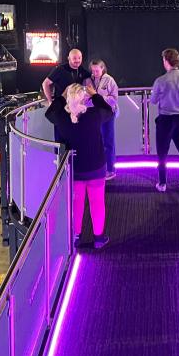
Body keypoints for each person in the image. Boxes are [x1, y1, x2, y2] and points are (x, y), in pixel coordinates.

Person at [45, 81, 115, 249]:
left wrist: (61, 97)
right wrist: (95, 95)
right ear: (84, 99)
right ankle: (98, 239)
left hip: (74, 169)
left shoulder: (61, 118)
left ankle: (76, 237)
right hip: (96, 167)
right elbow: (109, 111)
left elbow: (50, 112)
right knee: (97, 203)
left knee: (76, 204)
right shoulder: (94, 115)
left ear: (68, 98)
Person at [149, 48, 179, 192]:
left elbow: (153, 100)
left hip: (165, 120)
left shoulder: (160, 81)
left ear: (166, 61)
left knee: (162, 152)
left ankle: (162, 184)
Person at [86, 58, 119, 181]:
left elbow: (114, 99)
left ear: (102, 68)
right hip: (93, 115)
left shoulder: (109, 80)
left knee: (108, 142)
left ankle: (111, 170)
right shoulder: (88, 81)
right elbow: (84, 98)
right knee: (95, 142)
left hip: (107, 114)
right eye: (93, 70)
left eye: (97, 70)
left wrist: (98, 97)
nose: (95, 73)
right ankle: (98, 168)